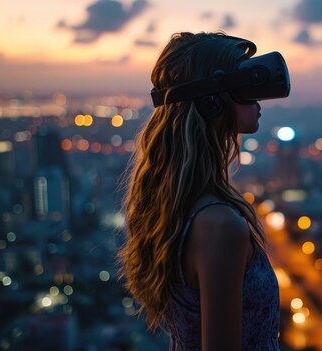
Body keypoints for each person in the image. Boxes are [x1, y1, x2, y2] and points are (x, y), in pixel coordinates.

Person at [117, 32, 288, 351]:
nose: (259, 100)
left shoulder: (179, 207)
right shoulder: (220, 225)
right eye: (247, 88)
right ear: (213, 101)